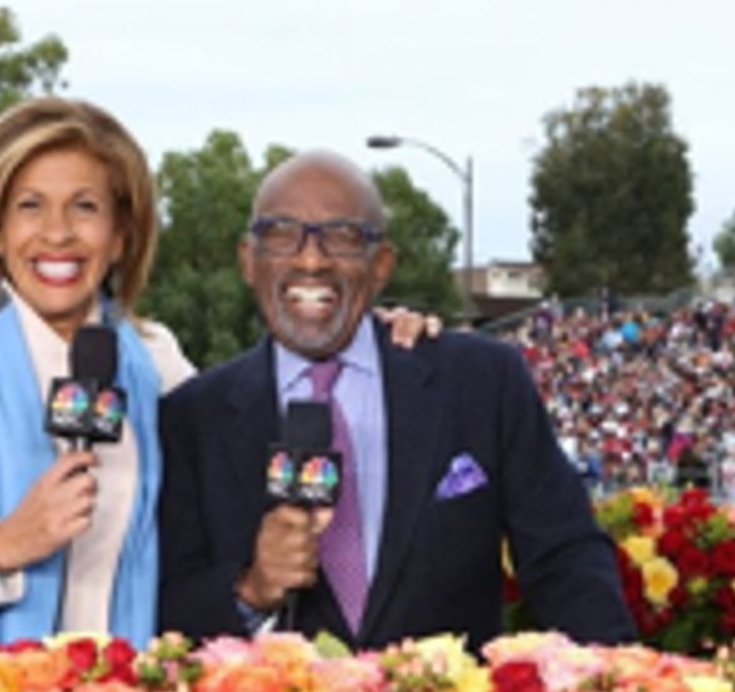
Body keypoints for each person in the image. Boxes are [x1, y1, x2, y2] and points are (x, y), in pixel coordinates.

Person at [0, 100, 433, 646]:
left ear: (120, 235)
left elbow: (253, 409)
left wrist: (367, 335)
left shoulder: (159, 366)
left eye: (85, 207)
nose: (57, 233)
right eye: (30, 207)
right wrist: (1, 547)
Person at [158, 150, 635, 650]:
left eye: (342, 237)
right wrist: (251, 591)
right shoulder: (191, 418)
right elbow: (165, 606)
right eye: (281, 234)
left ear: (381, 265)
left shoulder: (482, 382)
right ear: (247, 261)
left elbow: (566, 556)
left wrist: (614, 687)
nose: (311, 259)